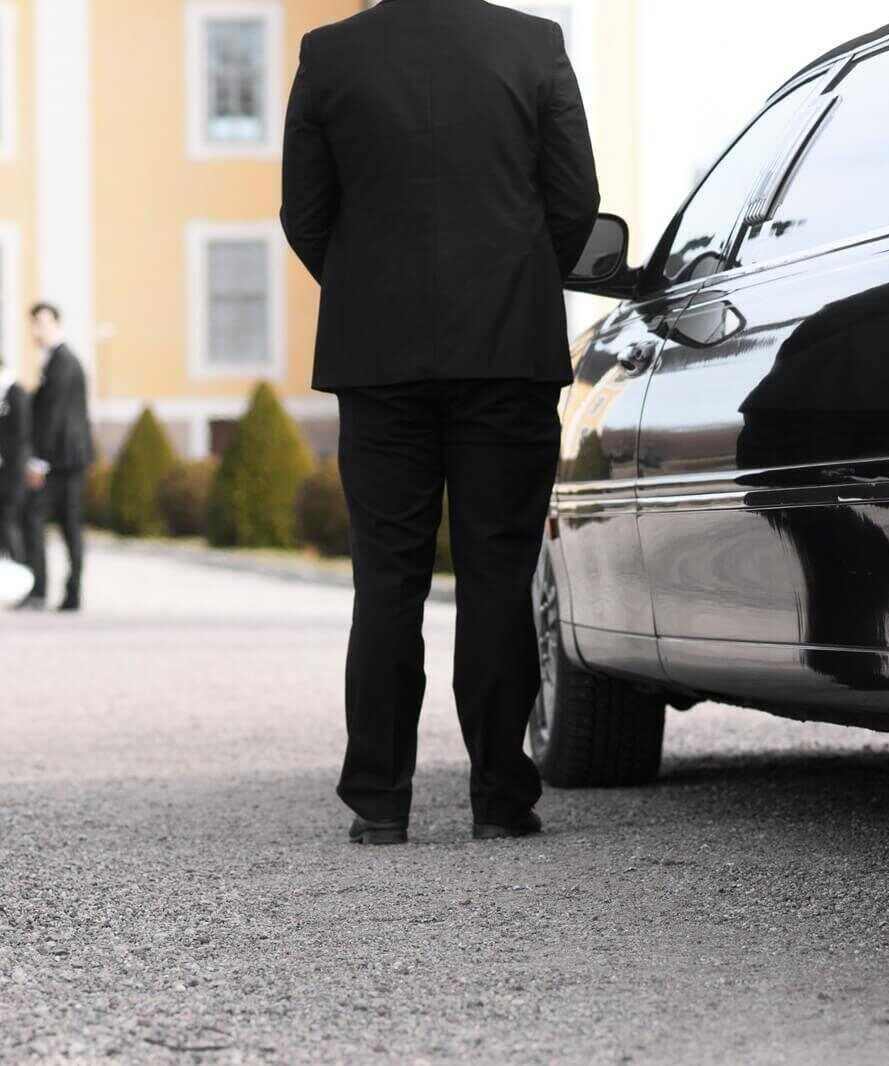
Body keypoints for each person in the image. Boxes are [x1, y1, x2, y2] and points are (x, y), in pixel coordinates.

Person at [281, 0, 600, 846]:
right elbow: (575, 202)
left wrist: (368, 289)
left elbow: (304, 214)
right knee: (497, 573)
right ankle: (499, 798)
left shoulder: (329, 53)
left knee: (387, 578)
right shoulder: (533, 44)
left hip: (377, 357)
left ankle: (379, 802)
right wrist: (515, 277)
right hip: (506, 347)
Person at [16, 304, 93, 612]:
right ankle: (55, 592)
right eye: (34, 324)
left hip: (64, 462)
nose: (36, 330)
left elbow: (53, 417)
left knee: (48, 522)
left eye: (42, 323)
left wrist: (38, 461)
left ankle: (50, 592)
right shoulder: (55, 361)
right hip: (64, 460)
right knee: (63, 525)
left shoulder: (63, 362)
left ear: (56, 324)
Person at [0, 354, 30, 562]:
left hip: (12, 474)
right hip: (5, 473)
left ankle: (20, 569)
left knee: (9, 523)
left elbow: (21, 435)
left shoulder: (16, 393)